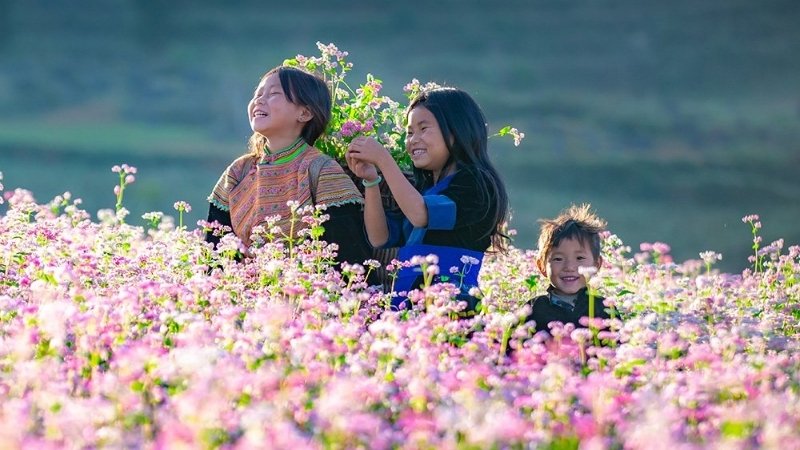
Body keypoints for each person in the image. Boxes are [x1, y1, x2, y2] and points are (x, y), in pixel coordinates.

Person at [345, 87, 509, 310]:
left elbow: (421, 214)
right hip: (406, 304)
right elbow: (379, 237)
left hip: (451, 305)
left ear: (456, 131)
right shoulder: (423, 191)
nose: (413, 139)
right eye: (410, 132)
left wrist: (384, 160)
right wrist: (371, 181)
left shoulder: (477, 183)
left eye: (423, 129)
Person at [205, 66, 372, 266]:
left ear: (305, 113)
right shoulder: (238, 172)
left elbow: (348, 257)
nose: (259, 100)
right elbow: (214, 254)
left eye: (274, 93)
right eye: (258, 94)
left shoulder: (323, 171)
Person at [524, 203, 612, 335]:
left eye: (580, 258)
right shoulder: (533, 309)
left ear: (596, 264)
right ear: (542, 266)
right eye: (558, 259)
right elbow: (511, 351)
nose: (569, 267)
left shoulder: (604, 309)